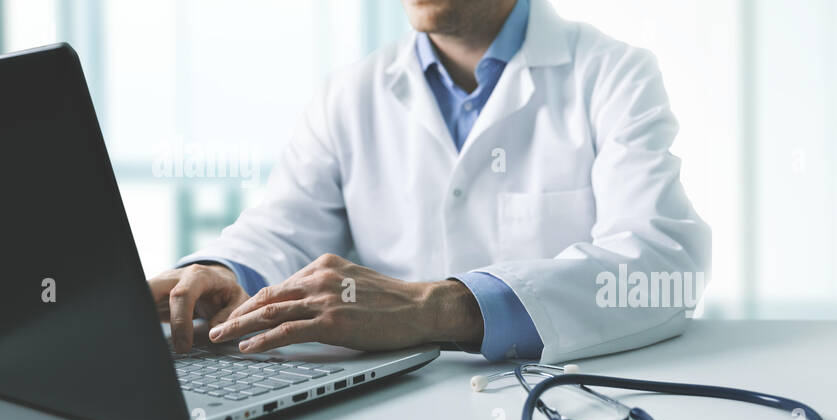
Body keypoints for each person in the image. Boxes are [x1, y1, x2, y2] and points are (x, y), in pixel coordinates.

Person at [149, 0, 709, 364]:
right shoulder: (349, 94)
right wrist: (221, 274)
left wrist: (435, 308)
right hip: (391, 406)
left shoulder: (613, 75)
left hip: (561, 398)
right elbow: (283, 228)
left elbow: (662, 265)